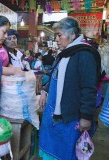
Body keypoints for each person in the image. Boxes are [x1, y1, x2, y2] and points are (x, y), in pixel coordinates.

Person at [38, 17, 101, 160]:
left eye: (59, 35)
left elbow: (88, 88)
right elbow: (55, 75)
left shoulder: (85, 55)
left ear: (72, 35)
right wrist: (45, 91)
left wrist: (86, 117)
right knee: (51, 151)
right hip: (53, 115)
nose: (57, 40)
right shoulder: (64, 54)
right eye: (56, 36)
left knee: (67, 153)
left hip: (71, 118)